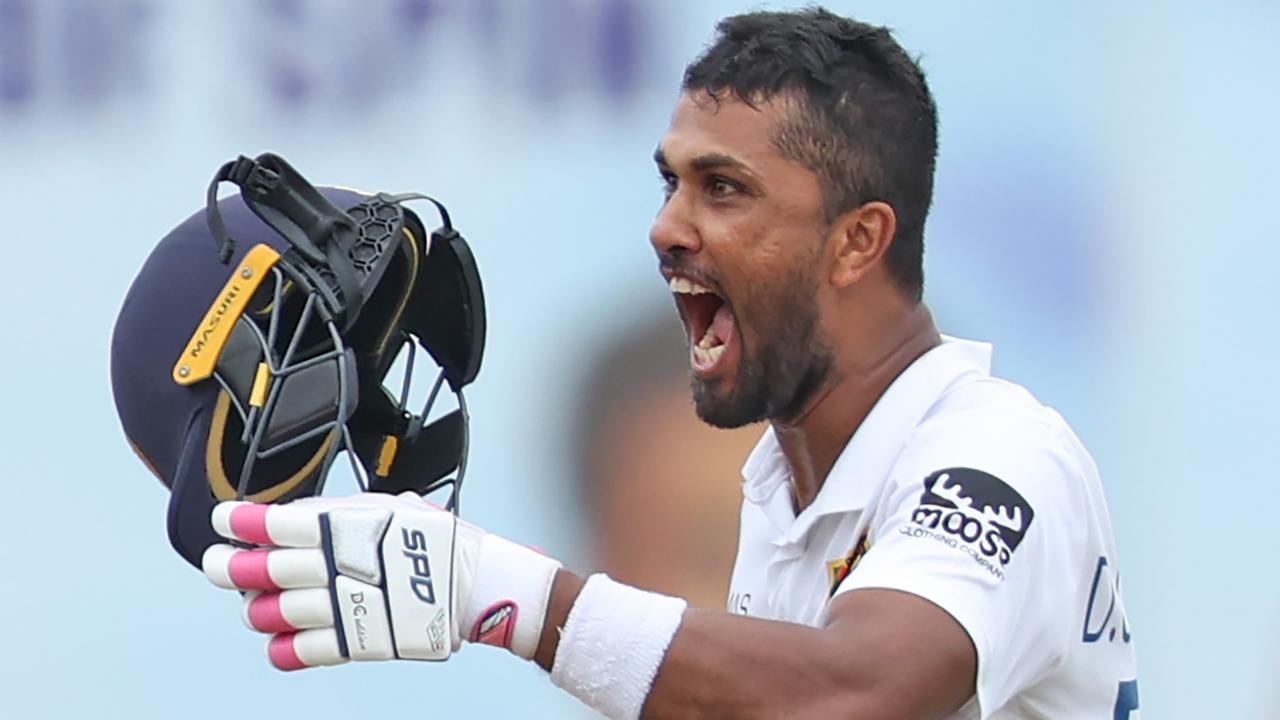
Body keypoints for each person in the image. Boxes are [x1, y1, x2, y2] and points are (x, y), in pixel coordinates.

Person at [126, 8, 1139, 720]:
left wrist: (511, 597)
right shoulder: (789, 504)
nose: (666, 228)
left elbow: (856, 691)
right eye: (670, 185)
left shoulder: (995, 453)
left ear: (854, 242)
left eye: (723, 190)